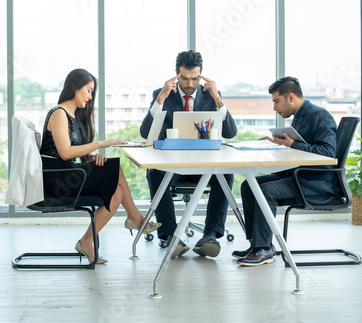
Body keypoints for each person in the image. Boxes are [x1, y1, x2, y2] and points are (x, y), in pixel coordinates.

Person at [39, 68, 161, 264]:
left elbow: (73, 150)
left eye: (92, 92)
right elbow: (65, 153)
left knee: (117, 192)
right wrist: (100, 144)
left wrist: (91, 156)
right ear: (74, 88)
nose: (90, 96)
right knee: (115, 168)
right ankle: (136, 218)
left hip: (67, 174)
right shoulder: (58, 113)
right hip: (56, 181)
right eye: (88, 90)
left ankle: (87, 241)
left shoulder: (72, 116)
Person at [140, 50, 237, 258]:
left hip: (204, 167)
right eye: (184, 78)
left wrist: (218, 98)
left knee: (226, 174)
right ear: (176, 74)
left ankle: (209, 236)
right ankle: (170, 236)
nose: (190, 84)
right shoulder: (163, 94)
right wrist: (160, 100)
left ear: (201, 75)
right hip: (173, 167)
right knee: (154, 173)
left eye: (195, 78)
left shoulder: (211, 96)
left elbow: (230, 132)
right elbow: (145, 133)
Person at [234, 76, 339, 266]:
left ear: (291, 97)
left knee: (267, 191)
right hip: (298, 176)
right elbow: (298, 149)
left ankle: (264, 248)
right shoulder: (299, 117)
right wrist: (277, 144)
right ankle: (257, 244)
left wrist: (293, 144)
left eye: (276, 101)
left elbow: (329, 153)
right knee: (250, 185)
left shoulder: (319, 116)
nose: (274, 107)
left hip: (316, 182)